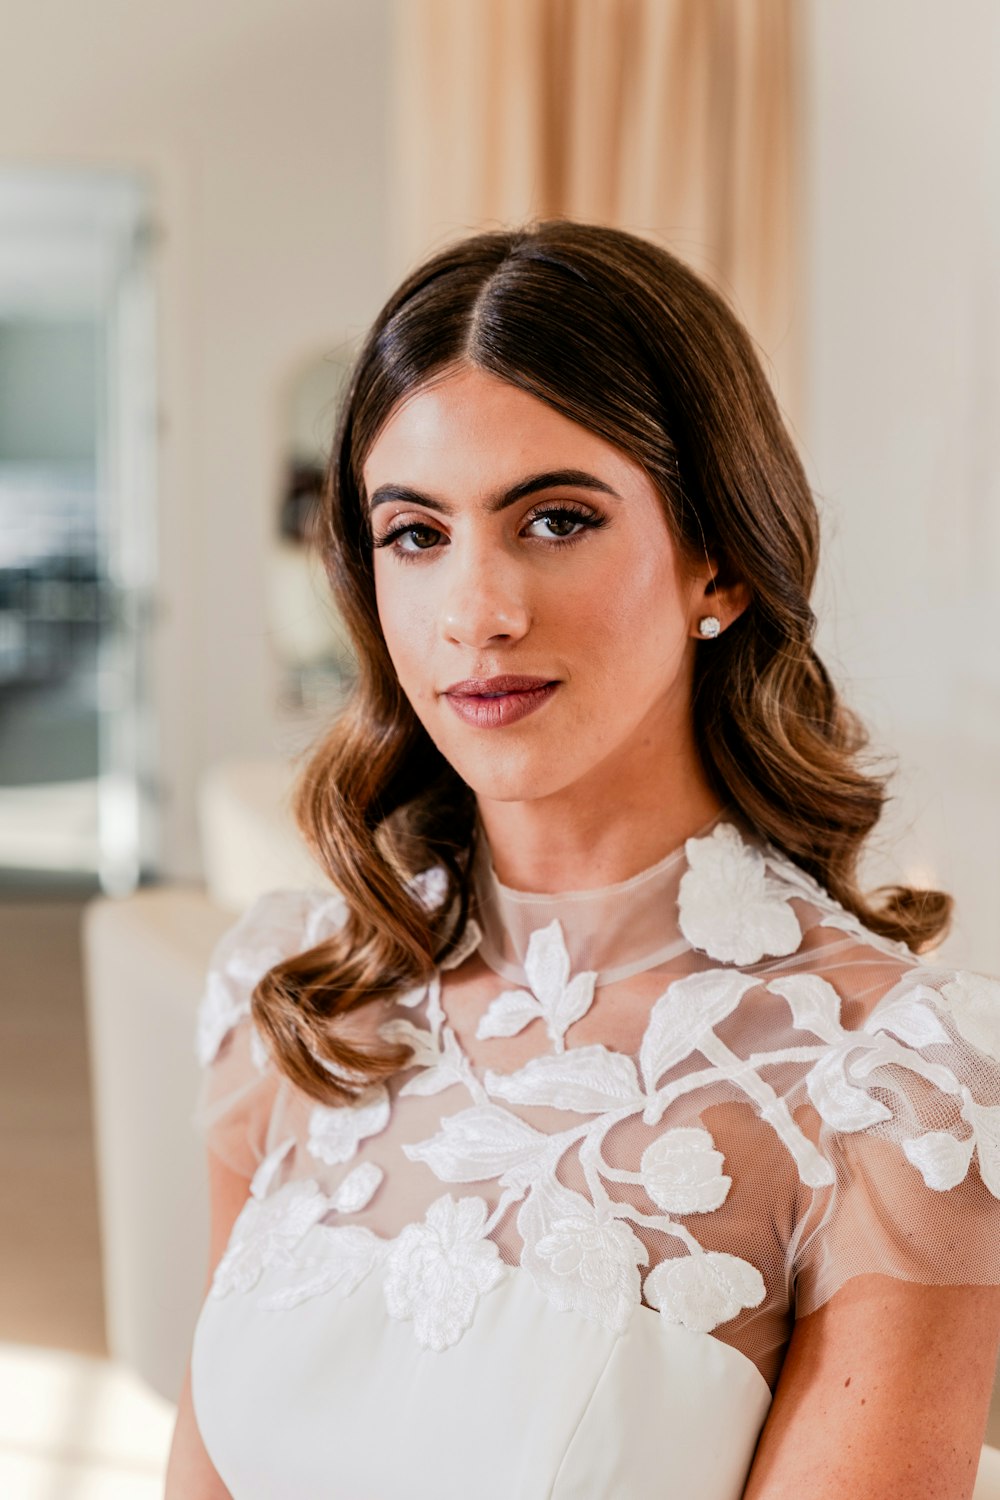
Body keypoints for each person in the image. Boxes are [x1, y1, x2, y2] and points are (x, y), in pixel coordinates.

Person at [166, 221, 1000, 1499]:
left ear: (715, 559)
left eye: (554, 520)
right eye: (415, 533)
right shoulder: (294, 990)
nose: (477, 612)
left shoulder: (891, 1088)